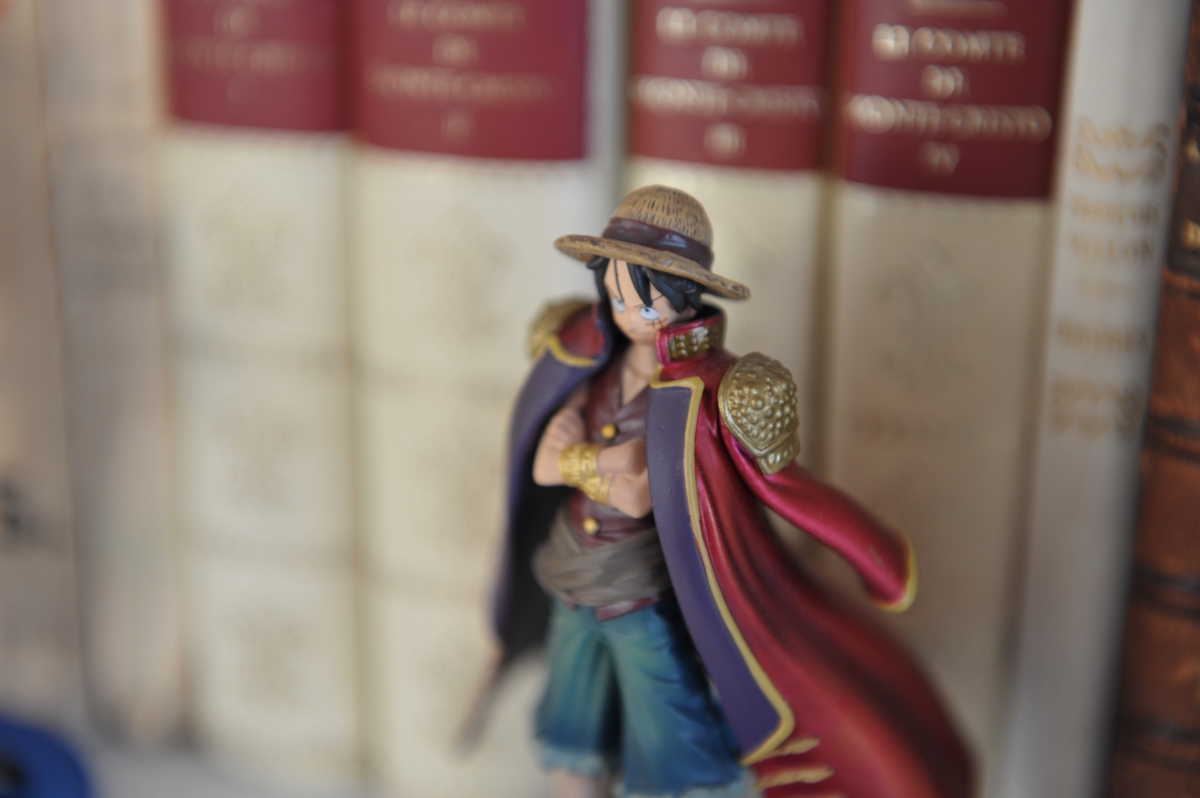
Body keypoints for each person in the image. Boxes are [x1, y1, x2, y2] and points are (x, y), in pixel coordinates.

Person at [492, 185, 973, 798]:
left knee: (673, 755)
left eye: (643, 304)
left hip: (644, 598)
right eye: (615, 298)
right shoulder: (589, 362)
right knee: (573, 741)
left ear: (682, 298)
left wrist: (579, 460)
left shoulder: (711, 388)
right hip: (572, 579)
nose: (627, 316)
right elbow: (544, 467)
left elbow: (643, 497)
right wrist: (611, 462)